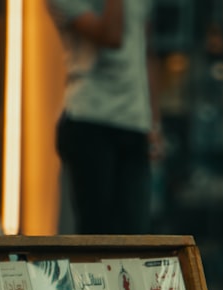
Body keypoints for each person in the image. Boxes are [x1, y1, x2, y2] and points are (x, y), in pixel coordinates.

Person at [46, 0, 162, 234]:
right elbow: (112, 36)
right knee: (96, 235)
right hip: (89, 118)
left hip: (133, 121)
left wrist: (154, 121)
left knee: (136, 235)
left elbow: (145, 51)